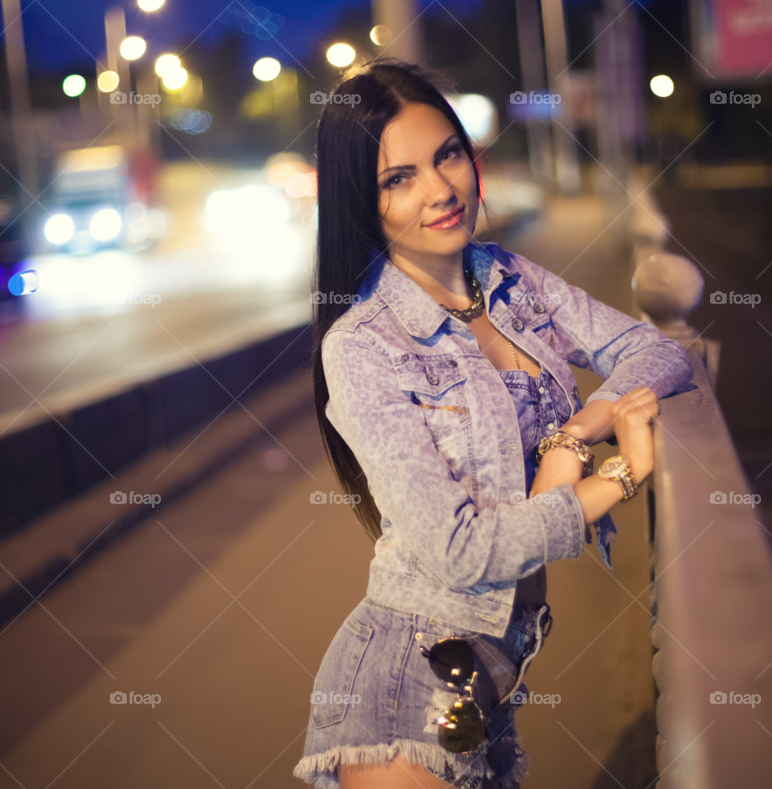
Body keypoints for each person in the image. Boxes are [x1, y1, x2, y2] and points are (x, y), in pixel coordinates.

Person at [292, 60, 694, 789]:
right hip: (402, 691)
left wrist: (584, 425)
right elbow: (461, 552)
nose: (442, 189)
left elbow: (656, 349)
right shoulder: (362, 347)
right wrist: (617, 474)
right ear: (363, 200)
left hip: (486, 684)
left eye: (447, 153)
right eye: (399, 177)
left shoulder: (509, 280)